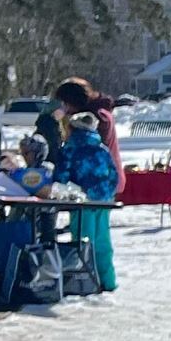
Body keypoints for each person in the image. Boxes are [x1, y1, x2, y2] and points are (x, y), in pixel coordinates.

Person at [55, 110, 120, 292]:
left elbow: (61, 177)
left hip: (81, 202)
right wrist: (107, 193)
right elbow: (114, 175)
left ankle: (87, 282)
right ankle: (108, 281)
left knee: (83, 242)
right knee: (103, 242)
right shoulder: (102, 148)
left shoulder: (69, 149)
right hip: (103, 201)